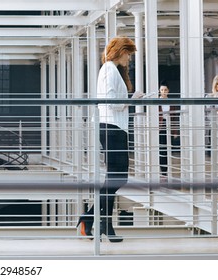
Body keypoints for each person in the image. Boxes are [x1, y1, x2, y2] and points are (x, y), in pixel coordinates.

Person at [76, 37, 142, 243]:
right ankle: (96, 220)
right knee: (118, 178)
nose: (129, 58)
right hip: (111, 127)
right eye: (128, 53)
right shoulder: (109, 70)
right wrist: (133, 99)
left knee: (115, 178)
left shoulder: (112, 70)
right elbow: (112, 103)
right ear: (120, 51)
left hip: (116, 127)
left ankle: (100, 221)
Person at [157, 81, 177, 181]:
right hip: (160, 127)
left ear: (168, 91)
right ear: (159, 91)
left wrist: (175, 132)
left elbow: (174, 117)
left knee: (167, 149)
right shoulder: (157, 102)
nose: (163, 92)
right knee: (161, 149)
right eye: (162, 90)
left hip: (168, 125)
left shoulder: (171, 102)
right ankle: (162, 171)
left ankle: (165, 171)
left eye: (165, 90)